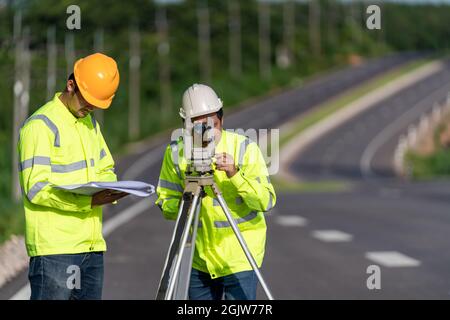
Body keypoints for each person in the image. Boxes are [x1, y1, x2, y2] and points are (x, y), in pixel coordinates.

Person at [17, 52, 127, 300]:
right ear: (70, 85)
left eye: (97, 104)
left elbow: (105, 168)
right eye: (87, 100)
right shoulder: (40, 126)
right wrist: (87, 201)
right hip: (55, 250)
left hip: (91, 245)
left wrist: (111, 190)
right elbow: (36, 188)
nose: (90, 108)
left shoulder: (90, 124)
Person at [156, 83, 276, 300]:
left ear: (222, 119)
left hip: (240, 257)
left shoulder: (244, 149)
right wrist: (187, 200)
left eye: (211, 124)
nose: (205, 132)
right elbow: (166, 204)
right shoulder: (176, 153)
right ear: (186, 125)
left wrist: (234, 174)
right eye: (198, 126)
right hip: (198, 259)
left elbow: (265, 201)